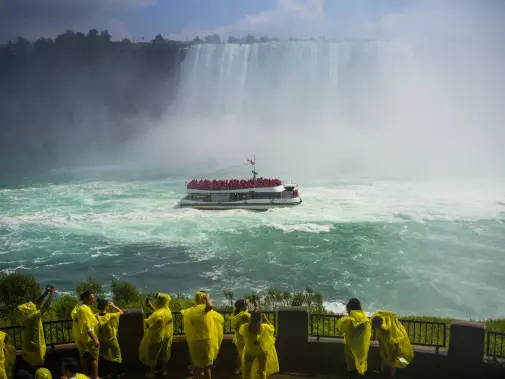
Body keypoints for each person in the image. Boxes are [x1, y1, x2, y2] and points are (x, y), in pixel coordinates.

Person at [181, 292, 224, 379]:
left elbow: (182, 325)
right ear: (203, 299)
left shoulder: (190, 311)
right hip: (206, 341)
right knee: (207, 366)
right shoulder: (204, 310)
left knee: (197, 365)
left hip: (195, 341)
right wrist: (207, 298)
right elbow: (210, 306)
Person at [18, 285, 56, 367]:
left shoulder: (25, 318)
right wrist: (52, 294)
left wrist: (46, 292)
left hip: (27, 350)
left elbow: (37, 303)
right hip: (35, 350)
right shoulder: (32, 317)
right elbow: (45, 307)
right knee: (39, 370)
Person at [139, 293, 173, 378]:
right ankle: (164, 371)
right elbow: (159, 313)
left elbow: (149, 324)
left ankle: (151, 373)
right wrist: (150, 306)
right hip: (166, 336)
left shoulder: (157, 315)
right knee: (164, 355)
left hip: (156, 338)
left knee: (153, 356)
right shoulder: (167, 310)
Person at [371, 310, 414, 379]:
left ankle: (390, 375)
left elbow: (396, 340)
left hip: (391, 348)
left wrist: (396, 351)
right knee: (386, 361)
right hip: (386, 347)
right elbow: (380, 338)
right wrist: (381, 346)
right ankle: (386, 374)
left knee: (392, 363)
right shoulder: (381, 328)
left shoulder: (388, 329)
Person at [239, 307, 279, 379]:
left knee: (246, 370)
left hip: (250, 350)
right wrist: (266, 319)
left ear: (251, 318)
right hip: (261, 350)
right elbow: (272, 328)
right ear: (261, 319)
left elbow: (240, 332)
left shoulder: (245, 327)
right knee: (262, 370)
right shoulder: (264, 327)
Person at [336, 298, 371, 379]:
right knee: (360, 368)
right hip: (361, 348)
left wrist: (341, 320)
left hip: (350, 347)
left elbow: (340, 330)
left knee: (352, 369)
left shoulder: (349, 319)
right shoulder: (364, 318)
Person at [71, 291, 100, 379]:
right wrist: (95, 339)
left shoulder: (78, 307)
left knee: (83, 356)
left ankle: (85, 375)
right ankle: (95, 376)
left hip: (79, 337)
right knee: (94, 356)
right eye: (91, 298)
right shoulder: (85, 309)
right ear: (86, 298)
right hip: (87, 338)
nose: (93, 300)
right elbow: (87, 326)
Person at [95, 299, 124, 378]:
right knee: (117, 355)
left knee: (106, 356)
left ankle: (109, 373)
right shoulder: (110, 316)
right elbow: (121, 312)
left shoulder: (96, 316)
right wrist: (113, 305)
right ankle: (118, 373)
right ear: (106, 307)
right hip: (112, 339)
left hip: (102, 340)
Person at [231, 299, 251, 375]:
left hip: (238, 337)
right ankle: (245, 369)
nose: (246, 306)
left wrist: (246, 301)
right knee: (246, 355)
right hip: (245, 338)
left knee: (239, 354)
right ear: (241, 307)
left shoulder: (235, 314)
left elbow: (236, 327)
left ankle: (237, 368)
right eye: (245, 305)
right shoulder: (245, 315)